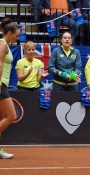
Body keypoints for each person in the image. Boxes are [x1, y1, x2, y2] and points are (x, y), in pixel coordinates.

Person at [0, 18, 20, 159]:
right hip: (1, 85)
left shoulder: (4, 44)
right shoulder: (3, 45)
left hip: (3, 84)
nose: (17, 38)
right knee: (11, 116)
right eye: (16, 35)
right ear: (9, 33)